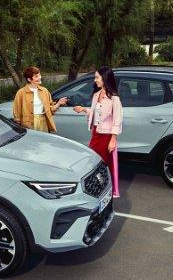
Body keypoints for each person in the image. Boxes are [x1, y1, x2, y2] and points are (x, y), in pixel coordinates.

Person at [73, 67, 123, 198]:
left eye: (97, 77)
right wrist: (83, 109)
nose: (95, 80)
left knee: (103, 164)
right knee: (95, 163)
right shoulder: (97, 94)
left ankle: (107, 190)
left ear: (105, 78)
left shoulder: (114, 98)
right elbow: (97, 113)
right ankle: (96, 188)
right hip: (96, 133)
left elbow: (117, 120)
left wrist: (113, 140)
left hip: (106, 136)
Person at [11, 66, 68, 133]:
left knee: (43, 139)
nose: (39, 77)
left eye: (39, 75)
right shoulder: (21, 93)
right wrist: (19, 125)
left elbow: (50, 109)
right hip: (28, 124)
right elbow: (17, 111)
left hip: (43, 122)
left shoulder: (44, 91)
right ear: (29, 79)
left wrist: (59, 103)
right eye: (36, 76)